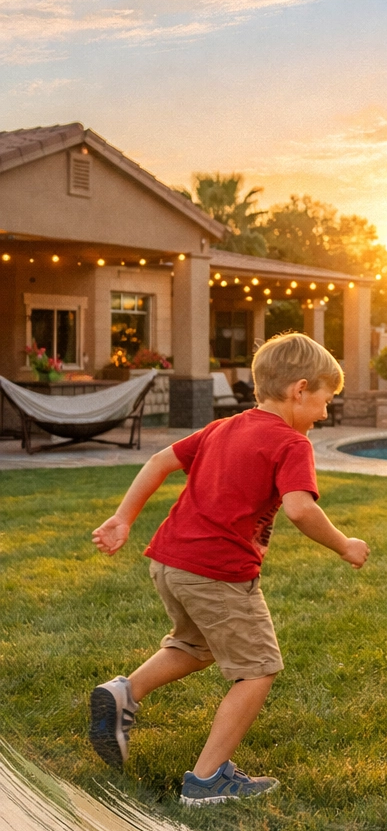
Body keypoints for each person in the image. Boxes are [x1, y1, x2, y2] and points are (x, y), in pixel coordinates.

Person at [88, 333, 370, 805]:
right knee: (258, 670)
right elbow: (300, 509)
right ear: (300, 389)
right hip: (217, 571)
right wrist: (345, 545)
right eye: (325, 401)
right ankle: (207, 780)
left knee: (196, 646)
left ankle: (123, 693)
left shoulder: (222, 427)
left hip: (170, 562)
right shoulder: (291, 443)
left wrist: (123, 517)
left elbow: (159, 461)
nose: (324, 414)